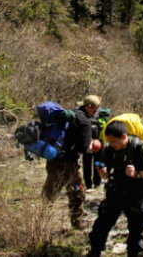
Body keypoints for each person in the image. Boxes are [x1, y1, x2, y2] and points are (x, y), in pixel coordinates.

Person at [85, 120, 143, 257]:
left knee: (135, 226)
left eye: (114, 141)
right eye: (109, 141)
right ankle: (94, 251)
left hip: (136, 191)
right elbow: (107, 173)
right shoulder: (110, 149)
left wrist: (137, 174)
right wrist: (103, 173)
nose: (112, 144)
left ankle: (134, 253)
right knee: (103, 221)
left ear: (124, 137)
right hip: (117, 189)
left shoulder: (141, 148)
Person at [42, 95, 101, 229]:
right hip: (69, 164)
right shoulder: (85, 121)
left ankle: (40, 220)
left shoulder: (70, 114)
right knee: (77, 191)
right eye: (95, 108)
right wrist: (93, 145)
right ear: (89, 107)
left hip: (53, 158)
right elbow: (84, 149)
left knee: (50, 190)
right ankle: (77, 221)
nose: (96, 111)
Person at [83, 104, 111, 190]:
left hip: (90, 142)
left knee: (89, 163)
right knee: (96, 162)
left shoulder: (85, 115)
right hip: (98, 141)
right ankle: (95, 183)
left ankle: (91, 184)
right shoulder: (102, 116)